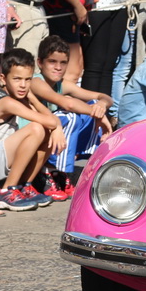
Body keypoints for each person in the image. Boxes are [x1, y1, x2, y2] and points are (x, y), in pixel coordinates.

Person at [0, 49, 64, 212]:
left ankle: (24, 186)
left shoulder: (17, 98)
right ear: (3, 79)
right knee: (36, 128)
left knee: (45, 131)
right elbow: (51, 121)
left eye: (28, 80)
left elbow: (51, 122)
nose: (23, 85)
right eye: (17, 79)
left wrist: (54, 127)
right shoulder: (6, 102)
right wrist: (33, 99)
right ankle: (7, 191)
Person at [30, 35, 112, 183]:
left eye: (63, 63)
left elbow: (104, 97)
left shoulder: (62, 84)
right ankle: (51, 171)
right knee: (71, 116)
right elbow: (68, 104)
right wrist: (97, 113)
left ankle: (84, 161)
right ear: (40, 63)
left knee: (94, 103)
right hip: (34, 133)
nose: (58, 67)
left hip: (52, 133)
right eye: (52, 62)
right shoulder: (36, 82)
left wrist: (101, 105)